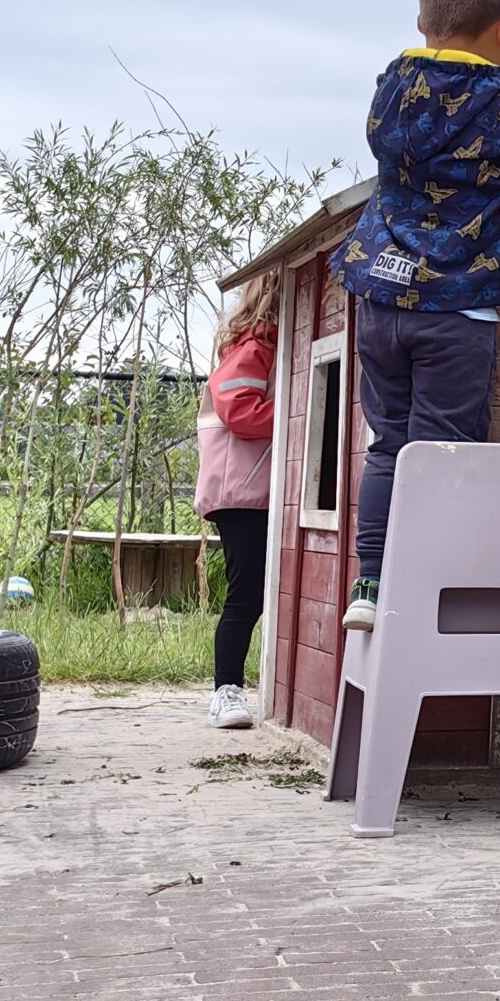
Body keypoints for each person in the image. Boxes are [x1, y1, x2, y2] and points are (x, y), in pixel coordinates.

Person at [329, 0, 500, 634]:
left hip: (379, 293)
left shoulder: (391, 86)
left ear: (423, 21)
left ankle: (371, 585)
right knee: (440, 452)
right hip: (456, 306)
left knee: (390, 444)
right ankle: (426, 583)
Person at [193, 275, 279, 728]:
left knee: (256, 594)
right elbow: (241, 413)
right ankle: (225, 691)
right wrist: (295, 408)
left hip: (255, 491)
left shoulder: (260, 346)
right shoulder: (254, 348)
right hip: (240, 493)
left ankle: (234, 688)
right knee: (245, 595)